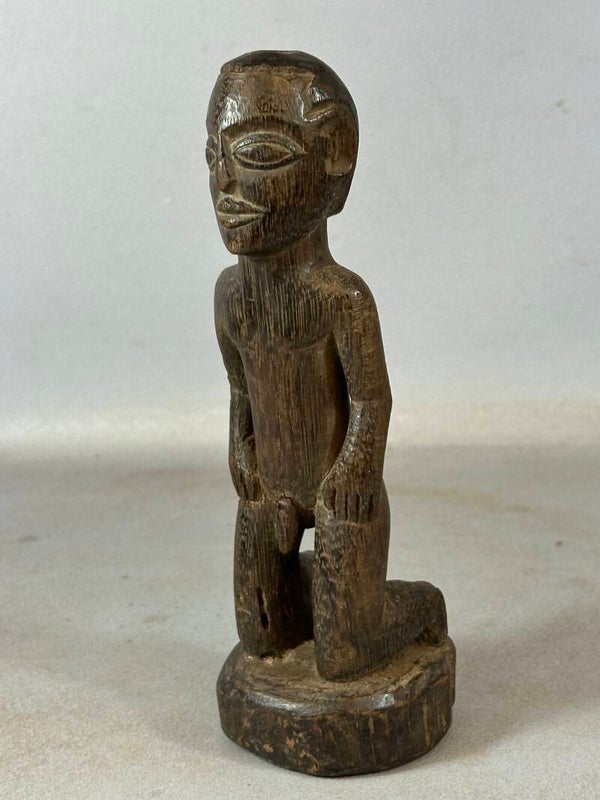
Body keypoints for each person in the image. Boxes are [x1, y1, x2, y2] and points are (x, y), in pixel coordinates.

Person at [209, 51, 446, 680]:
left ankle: (417, 604)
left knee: (343, 658)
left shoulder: (341, 298)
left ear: (334, 168)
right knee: (263, 637)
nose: (224, 183)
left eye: (257, 155)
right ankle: (329, 593)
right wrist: (241, 455)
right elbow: (242, 395)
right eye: (213, 155)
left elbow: (372, 400)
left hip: (342, 493)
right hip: (270, 489)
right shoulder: (231, 297)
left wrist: (356, 468)